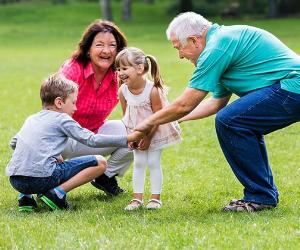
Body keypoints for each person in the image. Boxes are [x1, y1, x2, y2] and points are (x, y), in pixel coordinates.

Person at [132, 12, 300, 212]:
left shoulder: (217, 47)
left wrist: (146, 123)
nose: (180, 55)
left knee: (231, 121)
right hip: (289, 88)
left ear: (194, 40)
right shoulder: (221, 43)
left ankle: (260, 196)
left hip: (292, 87)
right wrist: (171, 120)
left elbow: (185, 103)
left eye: (179, 48)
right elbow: (216, 102)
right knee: (235, 120)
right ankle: (262, 195)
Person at [6, 73, 137, 211]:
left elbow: (14, 143)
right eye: (73, 102)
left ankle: (25, 197)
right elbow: (91, 140)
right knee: (100, 162)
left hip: (16, 180)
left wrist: (54, 155)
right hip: (41, 179)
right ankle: (56, 194)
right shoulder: (62, 119)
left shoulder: (32, 119)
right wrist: (128, 139)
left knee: (31, 163)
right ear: (59, 102)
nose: (75, 108)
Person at [59, 19, 132, 196]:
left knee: (137, 131)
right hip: (62, 139)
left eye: (112, 45)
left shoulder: (120, 76)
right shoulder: (72, 70)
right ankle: (45, 182)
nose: (106, 51)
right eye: (99, 45)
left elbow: (135, 107)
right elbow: (51, 113)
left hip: (91, 137)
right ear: (88, 48)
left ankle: (105, 177)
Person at [115, 47, 181, 210]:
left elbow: (158, 118)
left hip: (155, 132)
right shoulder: (123, 91)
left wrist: (148, 137)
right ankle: (137, 199)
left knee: (152, 162)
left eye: (124, 68)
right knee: (138, 163)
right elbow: (126, 116)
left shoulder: (153, 90)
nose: (120, 72)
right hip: (136, 133)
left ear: (139, 69)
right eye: (118, 69)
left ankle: (155, 198)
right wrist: (130, 136)